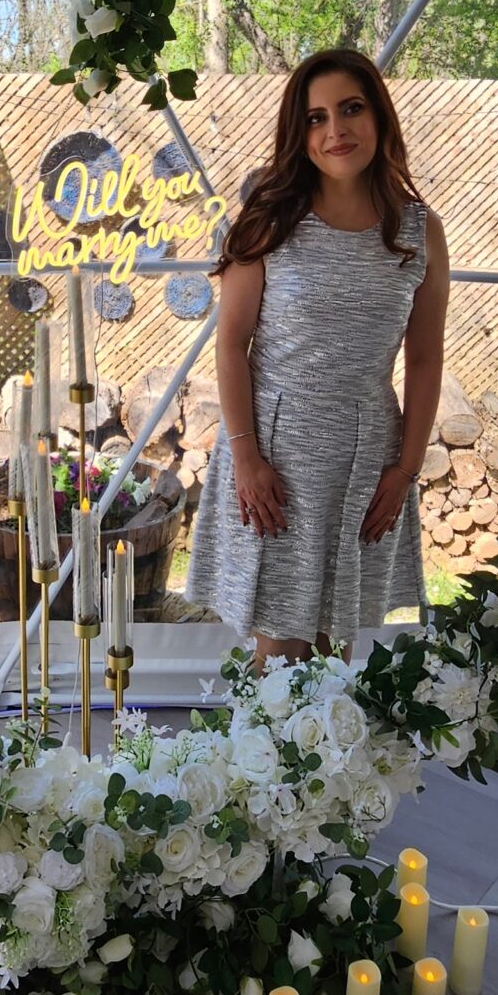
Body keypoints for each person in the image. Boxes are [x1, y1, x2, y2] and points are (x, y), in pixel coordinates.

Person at [187, 47, 449, 661]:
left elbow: (425, 360)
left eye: (351, 109)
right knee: (279, 654)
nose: (336, 131)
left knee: (336, 653)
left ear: (379, 115)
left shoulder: (419, 230)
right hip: (273, 457)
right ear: (299, 132)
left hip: (368, 459)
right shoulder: (271, 219)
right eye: (315, 117)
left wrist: (405, 472)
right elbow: (231, 344)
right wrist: (246, 458)